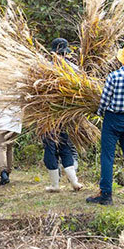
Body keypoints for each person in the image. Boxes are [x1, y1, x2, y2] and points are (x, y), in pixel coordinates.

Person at [88, 44, 124, 205]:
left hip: (113, 119)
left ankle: (106, 194)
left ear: (122, 59)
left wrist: (98, 112)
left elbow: (105, 100)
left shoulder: (114, 76)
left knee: (108, 156)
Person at [43, 38, 82, 192]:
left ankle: (55, 185)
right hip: (66, 114)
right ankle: (74, 182)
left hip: (47, 114)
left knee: (50, 146)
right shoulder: (73, 68)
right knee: (65, 145)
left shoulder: (45, 69)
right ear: (65, 52)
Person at [0, 104, 22, 186]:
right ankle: (8, 172)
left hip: (1, 119)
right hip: (15, 119)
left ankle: (3, 173)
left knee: (1, 148)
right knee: (9, 148)